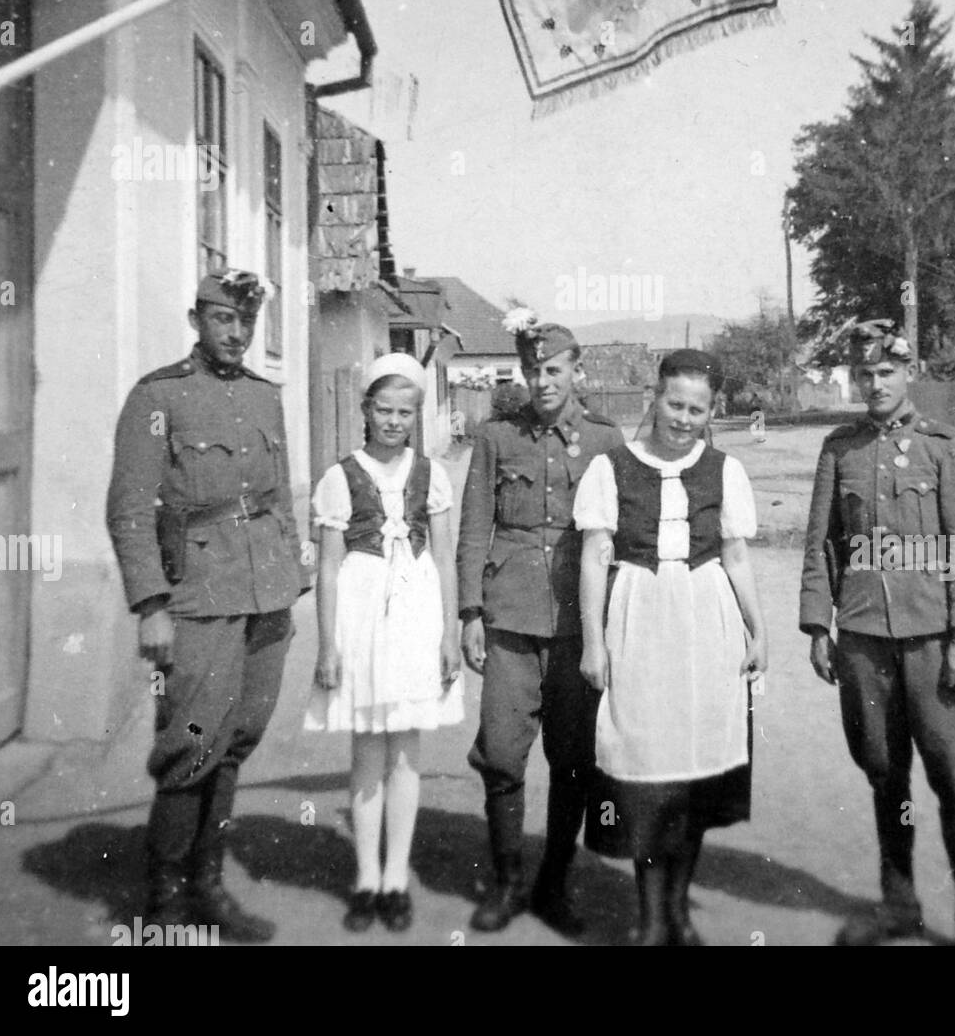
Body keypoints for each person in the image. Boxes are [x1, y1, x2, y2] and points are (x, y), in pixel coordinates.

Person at [106, 268, 306, 942]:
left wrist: (291, 581)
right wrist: (150, 605)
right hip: (196, 595)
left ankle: (208, 885)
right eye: (225, 319)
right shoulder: (158, 396)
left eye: (247, 322)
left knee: (236, 741)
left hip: (266, 595)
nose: (237, 333)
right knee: (190, 741)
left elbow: (280, 498)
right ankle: (164, 901)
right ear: (198, 320)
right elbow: (130, 510)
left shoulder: (266, 396)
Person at [800, 319, 955, 946]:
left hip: (933, 639)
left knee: (954, 775)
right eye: (865, 374)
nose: (876, 383)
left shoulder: (946, 445)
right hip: (862, 637)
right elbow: (821, 543)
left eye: (886, 372)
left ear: (908, 373)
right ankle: (899, 905)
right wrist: (817, 625)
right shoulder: (840, 448)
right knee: (884, 771)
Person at [576, 349, 768, 945]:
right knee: (646, 771)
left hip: (707, 626)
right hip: (639, 623)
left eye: (697, 408)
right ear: (652, 400)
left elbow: (736, 556)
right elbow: (594, 557)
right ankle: (651, 916)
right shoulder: (611, 468)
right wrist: (592, 644)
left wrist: (758, 630)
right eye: (674, 404)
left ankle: (679, 912)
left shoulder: (725, 470)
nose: (683, 418)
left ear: (712, 411)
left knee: (694, 773)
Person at [457, 314, 624, 935]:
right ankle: (506, 884)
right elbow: (475, 526)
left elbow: (623, 537)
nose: (542, 381)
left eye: (553, 369)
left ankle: (554, 885)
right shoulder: (497, 437)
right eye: (532, 370)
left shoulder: (607, 441)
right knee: (501, 754)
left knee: (573, 759)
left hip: (580, 622)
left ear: (575, 370)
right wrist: (470, 611)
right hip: (510, 616)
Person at [305, 353, 463, 933]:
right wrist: (327, 646)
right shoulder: (339, 476)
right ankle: (366, 875)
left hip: (418, 614)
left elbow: (444, 556)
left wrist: (449, 633)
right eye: (384, 410)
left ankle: (397, 876)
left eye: (406, 412)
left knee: (406, 752)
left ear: (416, 415)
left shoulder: (432, 474)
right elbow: (327, 569)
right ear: (366, 411)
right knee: (367, 751)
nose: (394, 421)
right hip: (362, 614)